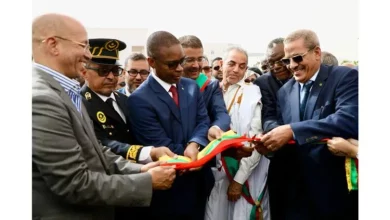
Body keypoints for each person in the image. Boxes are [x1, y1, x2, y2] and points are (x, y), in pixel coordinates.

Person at [32, 14, 176, 220]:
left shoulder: (64, 92)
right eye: (83, 46)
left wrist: (141, 168)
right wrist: (146, 181)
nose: (88, 55)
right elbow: (74, 183)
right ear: (53, 45)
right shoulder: (41, 99)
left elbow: (97, 152)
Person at [256, 29, 358, 219]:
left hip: (333, 193)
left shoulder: (343, 77)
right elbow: (280, 126)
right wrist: (270, 141)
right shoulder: (285, 91)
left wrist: (292, 130)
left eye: (297, 58)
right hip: (295, 195)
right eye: (287, 60)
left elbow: (348, 120)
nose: (292, 66)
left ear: (317, 53)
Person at [126, 30, 212, 220]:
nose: (180, 69)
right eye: (171, 64)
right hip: (168, 193)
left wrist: (195, 143)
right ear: (152, 62)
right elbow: (160, 145)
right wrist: (193, 157)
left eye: (181, 61)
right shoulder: (139, 100)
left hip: (200, 185)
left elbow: (203, 121)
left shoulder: (190, 86)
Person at [80, 38, 174, 164]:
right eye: (103, 71)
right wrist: (146, 152)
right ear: (85, 72)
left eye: (115, 70)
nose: (111, 77)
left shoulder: (125, 99)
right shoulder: (80, 103)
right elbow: (101, 143)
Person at [206, 46, 270, 220]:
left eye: (242, 66)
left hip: (244, 173)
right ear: (221, 64)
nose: (236, 70)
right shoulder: (211, 90)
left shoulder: (252, 93)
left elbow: (254, 140)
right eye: (232, 64)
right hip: (215, 171)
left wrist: (238, 181)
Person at [178, 35, 230, 141]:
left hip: (203, 148)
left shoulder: (210, 86)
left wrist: (216, 127)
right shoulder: (170, 86)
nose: (196, 65)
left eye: (199, 59)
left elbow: (221, 114)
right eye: (190, 60)